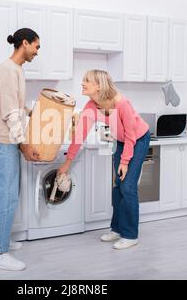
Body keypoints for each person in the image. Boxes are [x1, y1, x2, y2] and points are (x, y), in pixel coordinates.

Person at [58, 69, 150, 250]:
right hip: (122, 141)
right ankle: (116, 229)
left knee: (128, 186)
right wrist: (67, 163)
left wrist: (124, 162)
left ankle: (131, 235)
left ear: (99, 85)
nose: (82, 83)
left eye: (87, 81)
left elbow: (132, 135)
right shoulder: (91, 106)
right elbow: (79, 135)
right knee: (117, 186)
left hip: (138, 140)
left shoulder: (121, 103)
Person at [0, 28, 41, 270]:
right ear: (24, 43)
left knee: (11, 195)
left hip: (8, 140)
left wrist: (33, 111)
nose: (37, 52)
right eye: (36, 47)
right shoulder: (9, 71)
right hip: (6, 141)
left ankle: (2, 239)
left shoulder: (16, 70)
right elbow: (10, 114)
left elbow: (16, 107)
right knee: (7, 196)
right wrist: (25, 145)